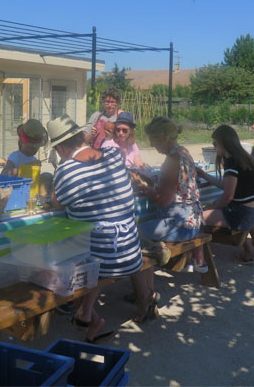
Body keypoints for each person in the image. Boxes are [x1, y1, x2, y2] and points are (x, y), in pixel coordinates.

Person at [48, 115, 157, 340]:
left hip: (102, 258)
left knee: (52, 258)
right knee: (95, 239)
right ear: (80, 136)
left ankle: (78, 310)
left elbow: (57, 203)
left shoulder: (66, 171)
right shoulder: (114, 155)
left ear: (59, 147)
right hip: (129, 251)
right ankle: (87, 315)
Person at [137, 117, 206, 273]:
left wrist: (143, 188)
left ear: (163, 138)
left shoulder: (172, 160)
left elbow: (163, 200)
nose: (151, 145)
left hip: (180, 225)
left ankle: (147, 276)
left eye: (153, 140)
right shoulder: (183, 152)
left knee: (132, 232)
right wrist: (149, 179)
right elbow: (176, 185)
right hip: (193, 220)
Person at [198, 125, 254, 262]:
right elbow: (226, 185)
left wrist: (211, 208)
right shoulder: (243, 158)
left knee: (196, 217)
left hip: (242, 215)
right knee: (213, 207)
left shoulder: (231, 162)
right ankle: (251, 249)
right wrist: (204, 175)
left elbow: (228, 196)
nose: (214, 147)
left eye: (215, 144)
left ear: (223, 143)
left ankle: (200, 260)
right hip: (252, 211)